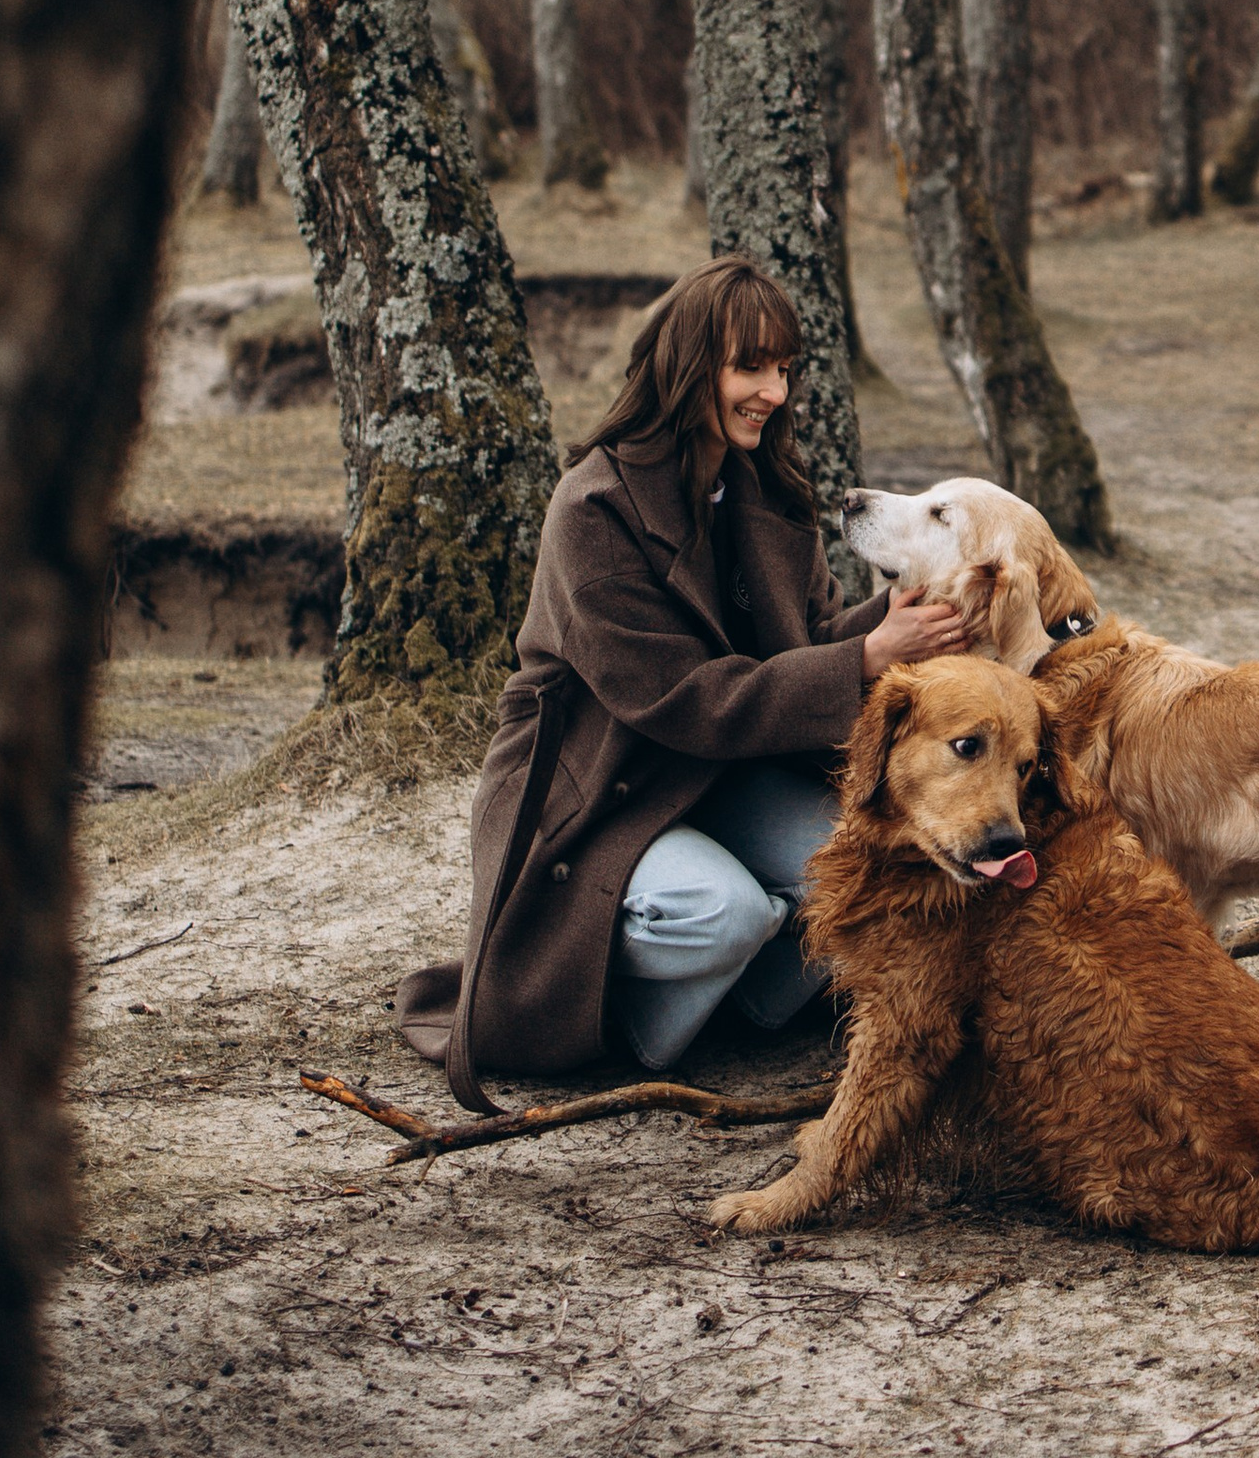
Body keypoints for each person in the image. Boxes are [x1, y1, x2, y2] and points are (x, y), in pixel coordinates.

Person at [395, 256, 960, 1109]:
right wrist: (867, 659)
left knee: (873, 869)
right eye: (750, 366)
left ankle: (745, 1013)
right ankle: (614, 1029)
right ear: (691, 364)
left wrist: (890, 620)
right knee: (726, 914)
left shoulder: (770, 488)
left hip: (727, 774)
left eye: (783, 368)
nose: (772, 392)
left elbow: (804, 645)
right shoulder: (593, 510)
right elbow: (683, 700)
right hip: (605, 786)